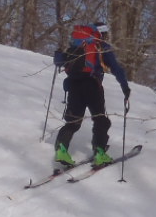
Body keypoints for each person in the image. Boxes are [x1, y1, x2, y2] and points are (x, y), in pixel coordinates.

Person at [51, 22, 130, 171]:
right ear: (101, 33)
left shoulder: (76, 44)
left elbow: (60, 62)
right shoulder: (101, 47)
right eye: (105, 33)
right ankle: (100, 153)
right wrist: (125, 87)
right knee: (101, 119)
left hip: (73, 85)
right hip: (92, 85)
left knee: (73, 121)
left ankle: (61, 150)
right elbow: (116, 68)